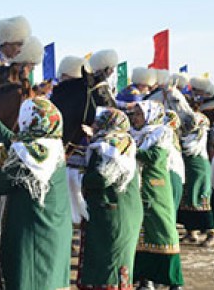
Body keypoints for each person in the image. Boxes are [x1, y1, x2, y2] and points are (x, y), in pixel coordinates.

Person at [0, 97, 72, 290]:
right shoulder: (51, 145)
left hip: (33, 235)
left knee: (31, 280)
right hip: (52, 231)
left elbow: (0, 184)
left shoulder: (28, 156)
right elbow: (18, 143)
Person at [77, 107, 144, 290]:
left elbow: (102, 177)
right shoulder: (119, 141)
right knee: (110, 262)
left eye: (99, 122)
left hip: (114, 213)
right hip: (118, 210)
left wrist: (81, 178)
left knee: (111, 264)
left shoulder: (111, 145)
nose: (94, 125)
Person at [128, 101, 184, 290]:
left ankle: (174, 281)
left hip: (156, 190)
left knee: (163, 231)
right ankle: (146, 279)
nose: (134, 118)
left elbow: (154, 157)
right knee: (140, 234)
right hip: (138, 188)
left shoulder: (162, 133)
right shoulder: (133, 135)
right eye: (134, 114)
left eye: (138, 114)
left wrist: (128, 149)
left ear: (151, 116)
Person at [176, 112, 214, 246]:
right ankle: (191, 232)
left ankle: (212, 233)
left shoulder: (200, 135)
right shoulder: (186, 136)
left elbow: (189, 148)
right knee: (188, 200)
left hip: (199, 169)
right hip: (188, 168)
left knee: (201, 201)